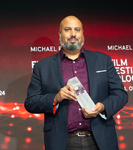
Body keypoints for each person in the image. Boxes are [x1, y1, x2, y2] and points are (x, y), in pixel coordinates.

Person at [24, 15, 128, 150]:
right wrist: (55, 98)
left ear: (82, 33)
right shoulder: (42, 67)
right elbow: (31, 102)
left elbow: (120, 94)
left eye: (77, 30)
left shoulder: (103, 60)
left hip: (100, 139)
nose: (73, 34)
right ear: (60, 34)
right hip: (62, 141)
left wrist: (102, 107)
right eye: (67, 29)